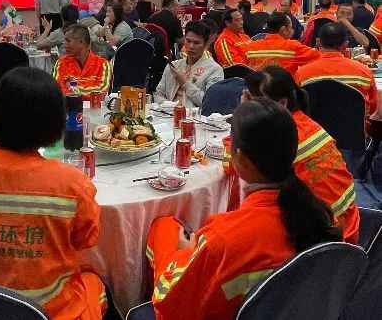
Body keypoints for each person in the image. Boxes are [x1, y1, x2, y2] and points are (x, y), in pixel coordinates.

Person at [146, 99, 342, 319]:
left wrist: (185, 252)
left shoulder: (223, 239)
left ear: (241, 158)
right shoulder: (322, 216)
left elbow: (169, 305)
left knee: (164, 227)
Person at [0, 67, 106, 319]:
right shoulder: (71, 183)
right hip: (47, 311)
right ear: (55, 122)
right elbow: (85, 239)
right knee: (93, 280)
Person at [259, 66, 359, 242]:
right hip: (350, 224)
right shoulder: (307, 123)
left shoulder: (280, 135)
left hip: (326, 239)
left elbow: (236, 162)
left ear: (282, 103)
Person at [296, 22, 377, 120]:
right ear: (345, 44)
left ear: (318, 42)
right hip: (355, 128)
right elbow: (373, 107)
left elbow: (298, 106)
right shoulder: (364, 72)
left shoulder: (303, 73)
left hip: (315, 128)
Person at [154, 21, 223, 107]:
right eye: (188, 41)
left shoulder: (214, 70)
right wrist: (167, 106)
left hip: (194, 114)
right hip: (166, 112)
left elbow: (209, 102)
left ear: (206, 44)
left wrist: (185, 83)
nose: (191, 46)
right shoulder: (173, 66)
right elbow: (158, 94)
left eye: (196, 43)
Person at [241, 13, 319, 76]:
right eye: (291, 28)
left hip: (257, 89)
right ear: (284, 30)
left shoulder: (250, 47)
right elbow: (318, 57)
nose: (292, 30)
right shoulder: (292, 46)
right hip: (284, 90)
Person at [52, 24, 112, 100]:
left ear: (81, 42)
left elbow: (100, 92)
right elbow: (57, 91)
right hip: (70, 107)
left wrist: (71, 88)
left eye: (68, 41)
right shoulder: (61, 63)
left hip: (93, 108)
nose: (65, 45)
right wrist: (86, 91)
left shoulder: (103, 64)